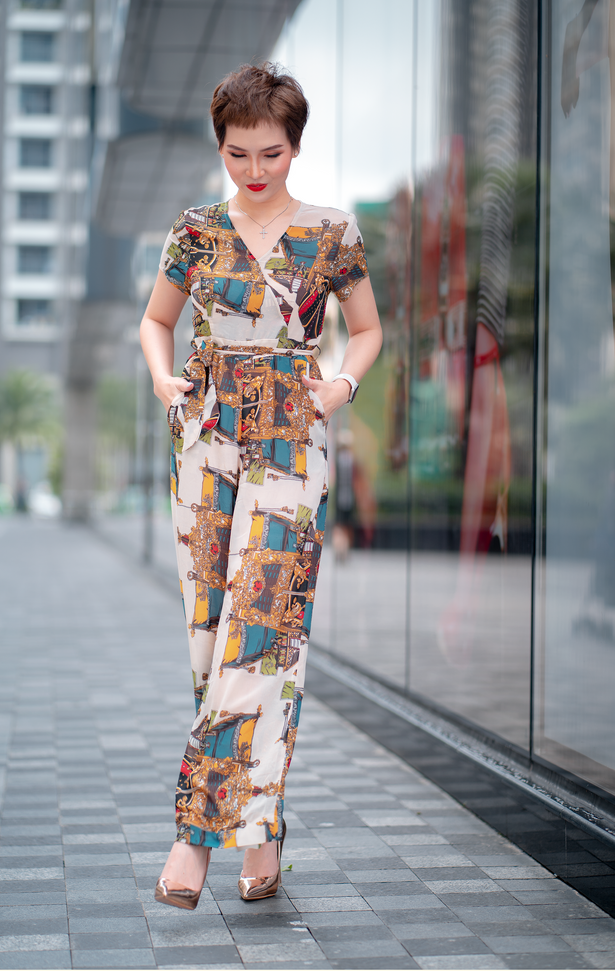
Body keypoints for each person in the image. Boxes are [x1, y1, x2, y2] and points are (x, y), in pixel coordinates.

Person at [140, 62, 382, 908]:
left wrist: (340, 385)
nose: (253, 169)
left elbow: (367, 330)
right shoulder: (196, 230)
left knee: (259, 625)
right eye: (238, 152)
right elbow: (156, 319)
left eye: (270, 153)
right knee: (214, 635)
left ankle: (197, 834)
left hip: (291, 435)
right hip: (206, 438)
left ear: (294, 147)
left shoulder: (329, 232)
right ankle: (263, 825)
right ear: (220, 146)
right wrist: (165, 380)